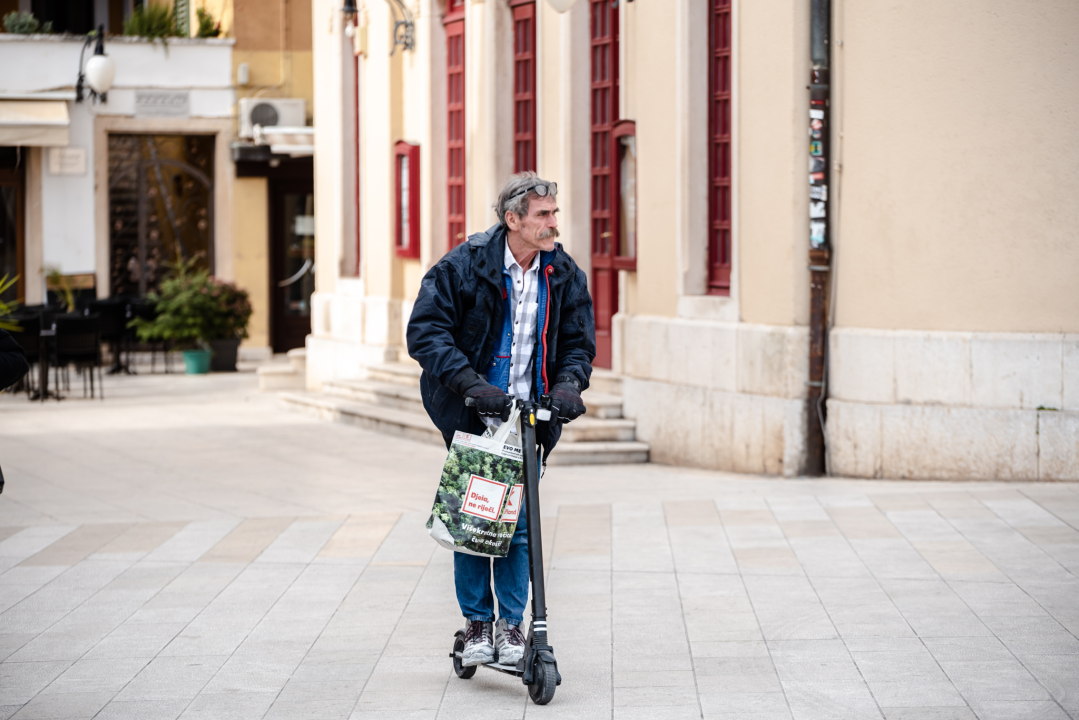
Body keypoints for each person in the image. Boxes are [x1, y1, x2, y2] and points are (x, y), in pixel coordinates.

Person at [407, 171, 596, 667]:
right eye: (543, 215)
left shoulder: (563, 272)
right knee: (473, 520)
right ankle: (477, 624)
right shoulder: (464, 265)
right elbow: (426, 334)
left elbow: (578, 342)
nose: (553, 223)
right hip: (474, 412)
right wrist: (471, 386)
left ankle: (513, 626)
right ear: (513, 219)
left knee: (518, 524)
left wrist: (569, 386)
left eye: (554, 213)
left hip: (527, 417)